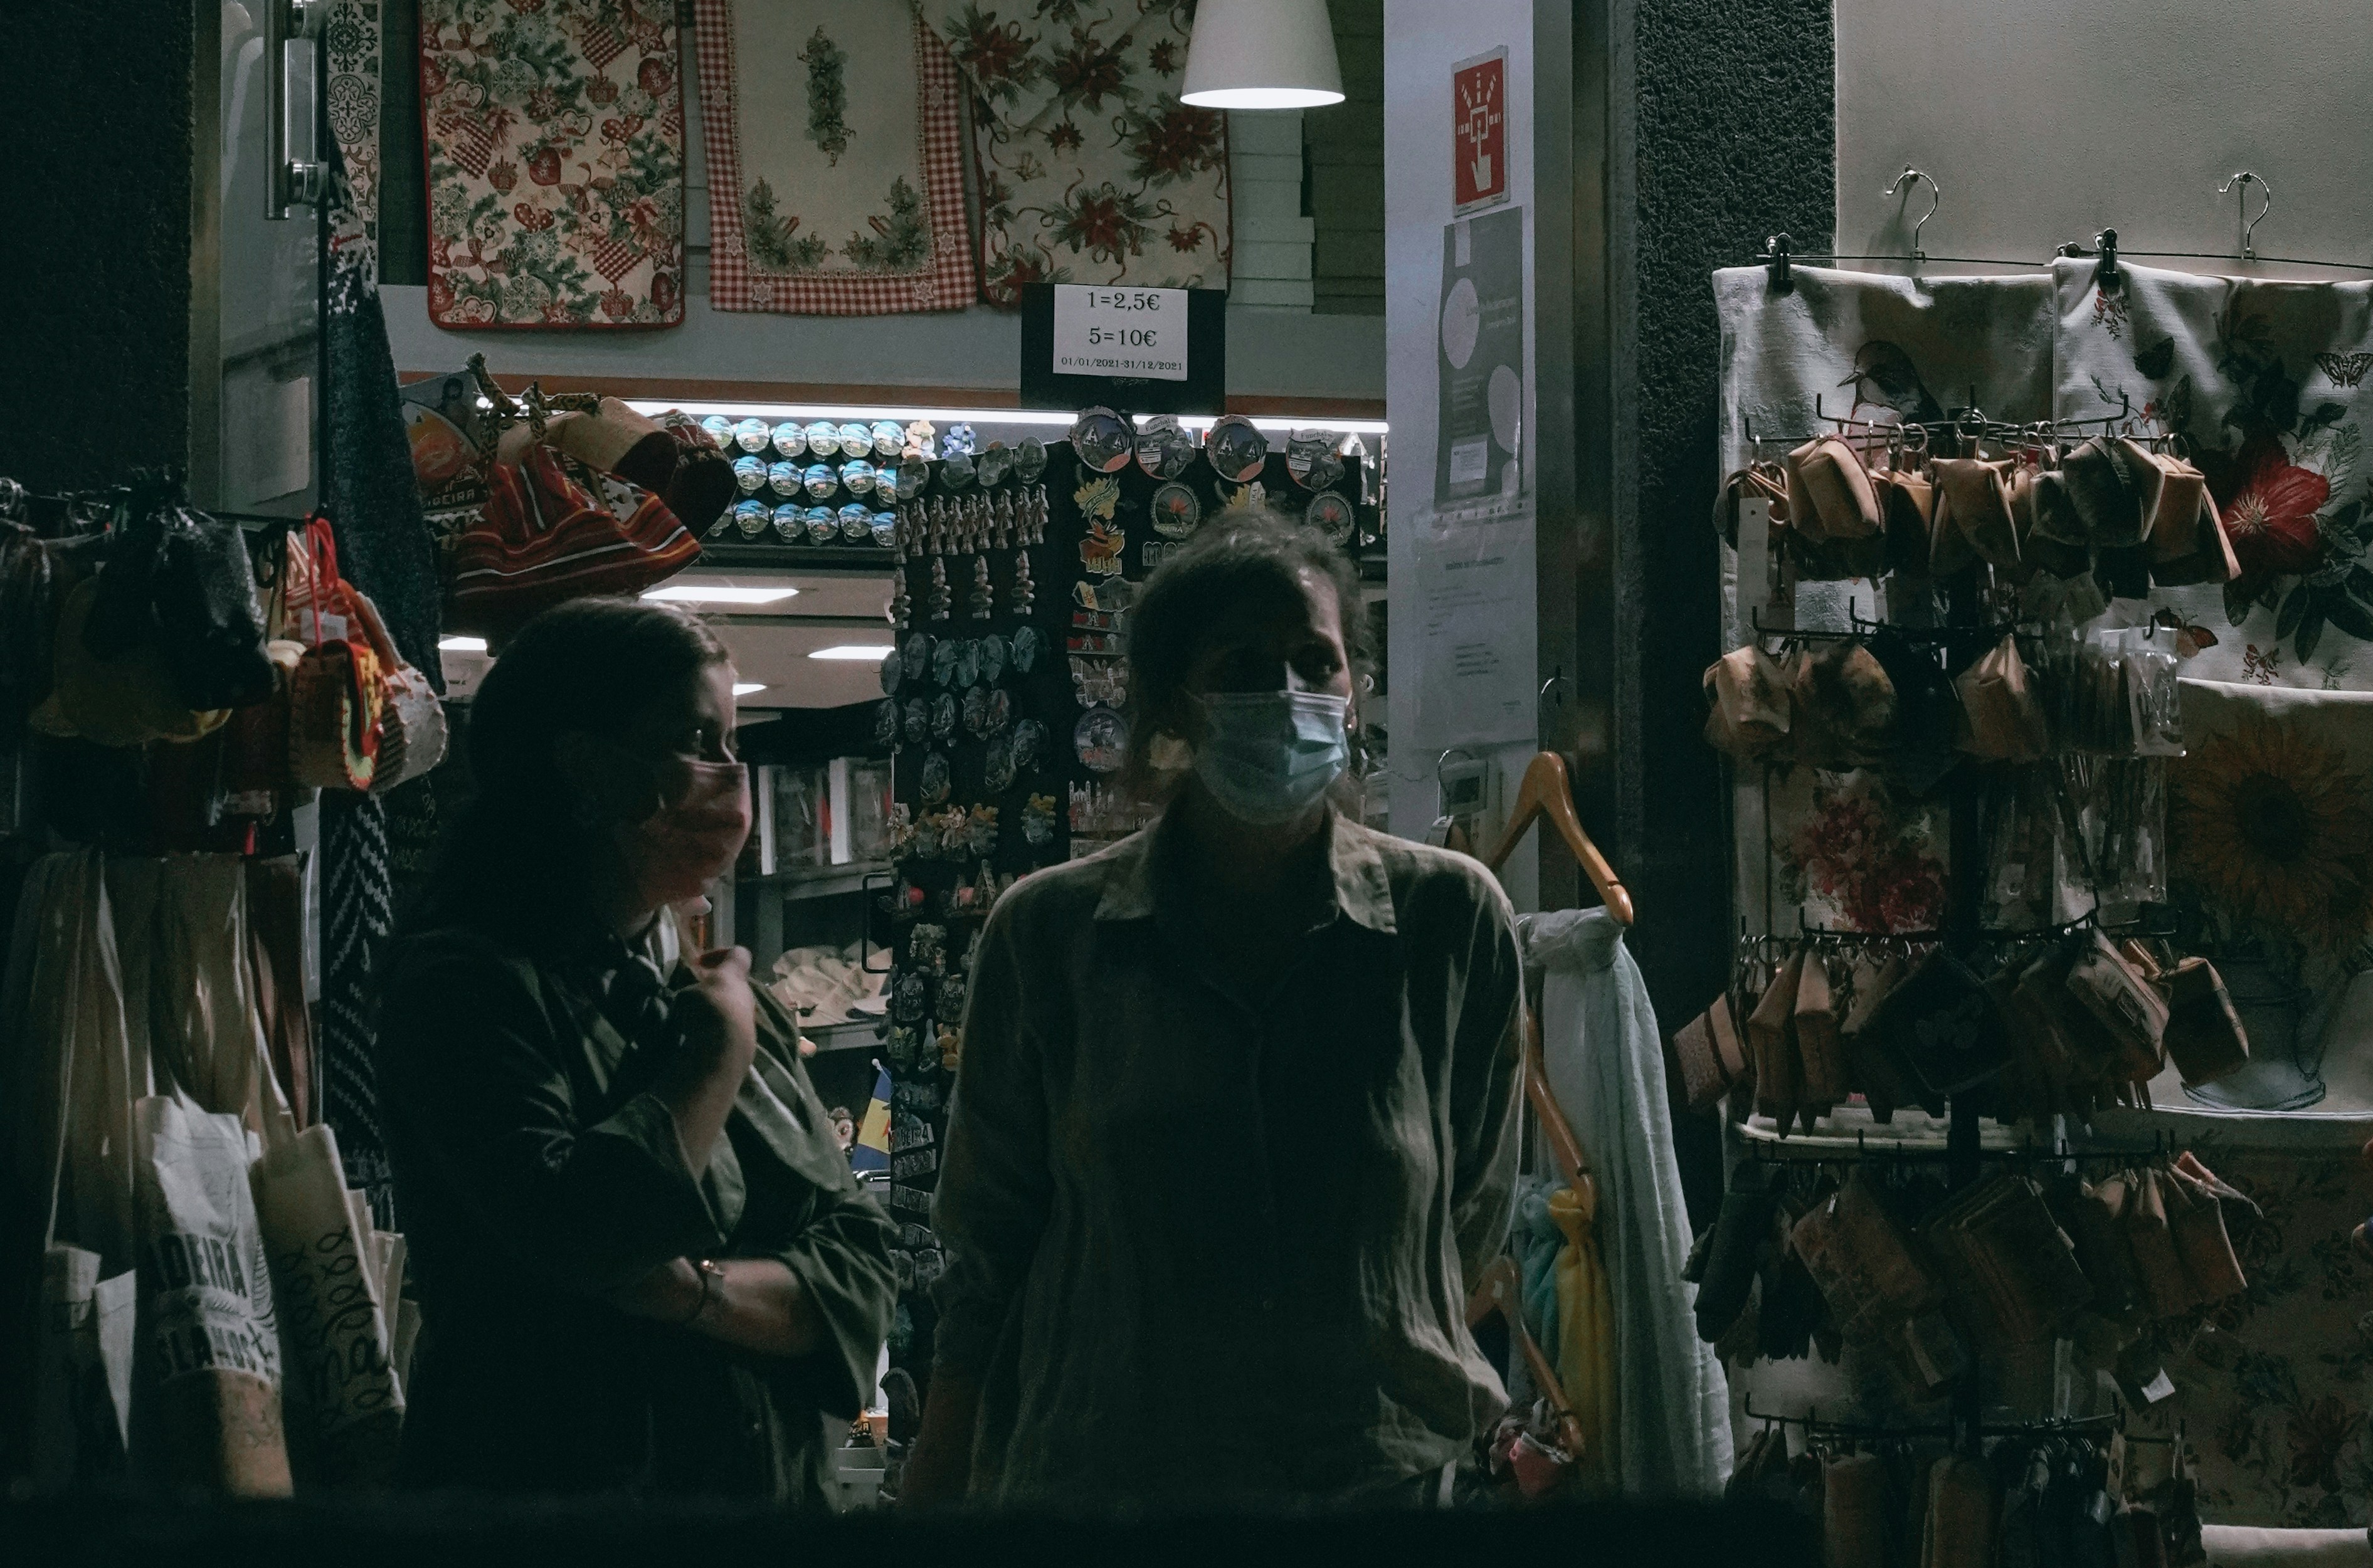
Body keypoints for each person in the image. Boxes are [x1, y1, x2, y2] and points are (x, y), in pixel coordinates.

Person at [904, 520, 1524, 1509]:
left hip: (1376, 1487)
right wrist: (936, 1485)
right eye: (1242, 665)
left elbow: (1471, 1215)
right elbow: (987, 1251)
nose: (1285, 693)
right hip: (1116, 1491)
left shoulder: (1448, 923)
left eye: (1314, 660)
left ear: (1353, 689)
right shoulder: (1053, 936)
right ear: (1174, 705)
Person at [381, 595, 895, 1502]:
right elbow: (584, 1230)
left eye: (734, 742)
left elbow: (861, 1259)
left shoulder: (710, 986)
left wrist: (691, 1293)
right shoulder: (466, 985)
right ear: (585, 766)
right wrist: (716, 1056)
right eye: (698, 740)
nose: (730, 776)